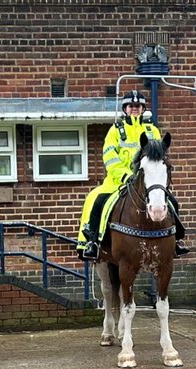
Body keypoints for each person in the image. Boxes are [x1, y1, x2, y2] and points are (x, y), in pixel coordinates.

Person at [77, 90, 189, 260]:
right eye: (131, 106)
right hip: (118, 182)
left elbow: (158, 159)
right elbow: (109, 157)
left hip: (146, 182)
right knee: (96, 200)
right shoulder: (115, 131)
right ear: (125, 109)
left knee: (172, 203)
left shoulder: (153, 131)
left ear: (143, 109)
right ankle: (92, 242)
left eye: (138, 106)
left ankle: (176, 241)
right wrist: (125, 175)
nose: (134, 109)